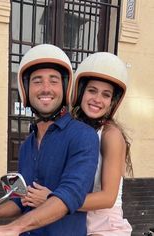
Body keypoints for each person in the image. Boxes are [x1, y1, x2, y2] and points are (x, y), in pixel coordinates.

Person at [0, 44, 99, 236]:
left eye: (53, 81)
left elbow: (69, 196)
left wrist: (13, 228)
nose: (46, 88)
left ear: (65, 88)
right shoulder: (27, 145)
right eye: (37, 81)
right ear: (26, 90)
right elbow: (22, 200)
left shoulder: (83, 136)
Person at [21, 52, 133, 236]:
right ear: (80, 92)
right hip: (74, 219)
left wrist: (52, 199)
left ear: (112, 102)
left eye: (105, 95)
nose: (97, 99)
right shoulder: (74, 129)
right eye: (92, 91)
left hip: (103, 225)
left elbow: (108, 198)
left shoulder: (110, 135)